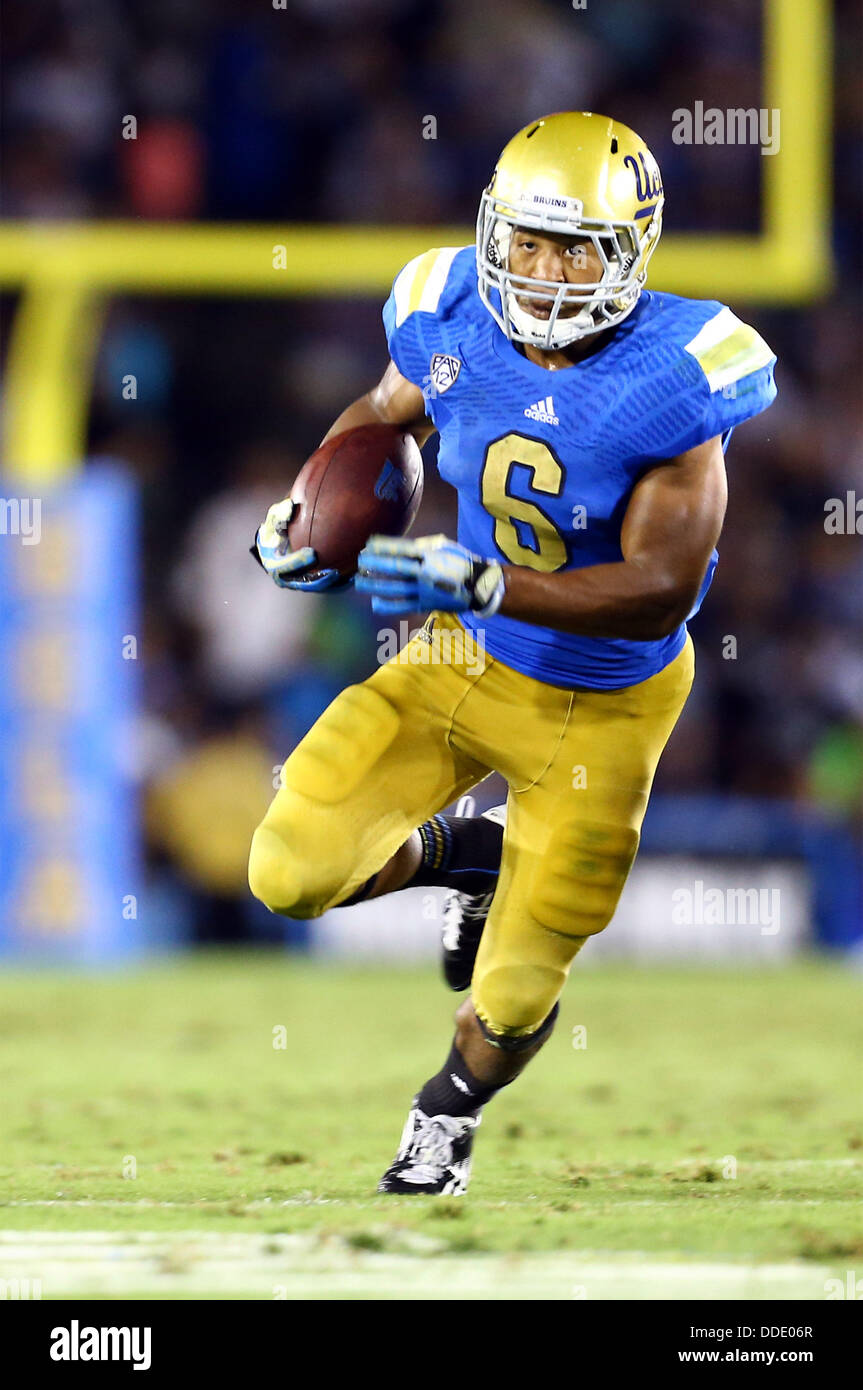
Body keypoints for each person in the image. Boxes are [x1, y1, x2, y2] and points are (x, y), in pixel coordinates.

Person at [248, 112, 777, 1195]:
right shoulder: (446, 308)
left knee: (516, 993)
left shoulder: (678, 376)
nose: (543, 271)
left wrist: (488, 579)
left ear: (629, 250)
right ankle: (467, 856)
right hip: (461, 657)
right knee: (289, 870)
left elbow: (656, 592)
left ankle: (445, 1109)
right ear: (493, 230)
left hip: (607, 704)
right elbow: (386, 410)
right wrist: (313, 503)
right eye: (528, 240)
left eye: (574, 246)